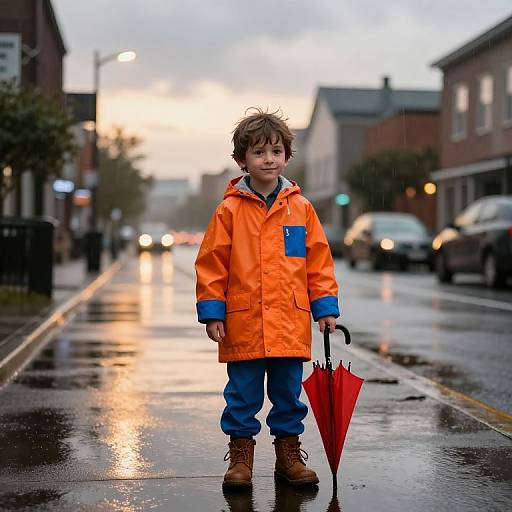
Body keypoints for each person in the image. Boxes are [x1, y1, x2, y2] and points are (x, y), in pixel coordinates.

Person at [195, 109, 339, 489]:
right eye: (259, 153)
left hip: (289, 324)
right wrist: (213, 312)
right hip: (243, 323)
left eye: (276, 151)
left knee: (288, 394)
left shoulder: (302, 208)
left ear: (287, 157)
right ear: (242, 159)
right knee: (242, 395)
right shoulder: (228, 210)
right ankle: (241, 458)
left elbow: (318, 262)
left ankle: (288, 455)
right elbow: (212, 264)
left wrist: (324, 307)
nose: (269, 159)